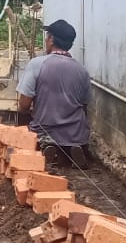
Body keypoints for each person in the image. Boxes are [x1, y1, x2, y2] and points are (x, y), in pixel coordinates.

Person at [16, 18, 91, 168]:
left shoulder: (37, 64)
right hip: (76, 133)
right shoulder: (82, 70)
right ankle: (74, 149)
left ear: (51, 39)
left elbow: (24, 103)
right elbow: (84, 105)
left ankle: (47, 148)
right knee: (72, 134)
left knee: (25, 119)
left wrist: (24, 113)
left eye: (47, 36)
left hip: (45, 129)